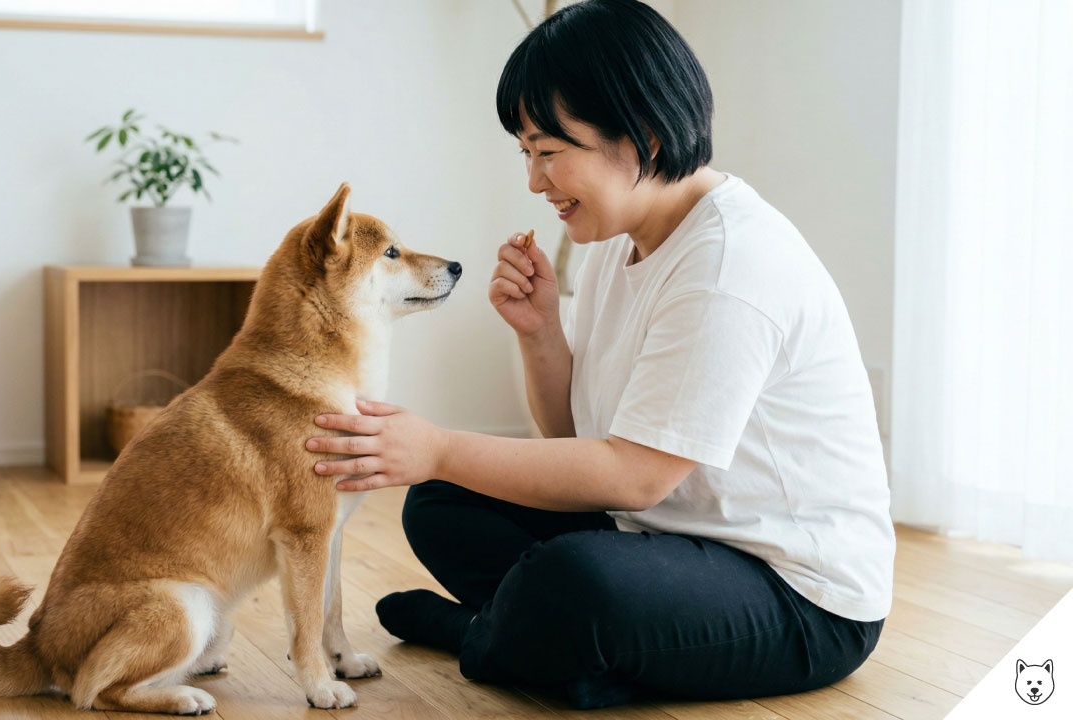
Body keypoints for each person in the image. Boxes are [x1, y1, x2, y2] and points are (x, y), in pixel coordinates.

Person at [303, 0, 894, 708]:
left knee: (572, 581)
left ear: (641, 134)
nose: (533, 179)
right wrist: (541, 332)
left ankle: (487, 636)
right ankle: (542, 639)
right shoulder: (622, 241)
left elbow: (635, 476)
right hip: (664, 536)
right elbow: (573, 440)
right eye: (525, 153)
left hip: (800, 596)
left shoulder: (731, 263)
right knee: (441, 502)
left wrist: (436, 444)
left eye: (550, 152)